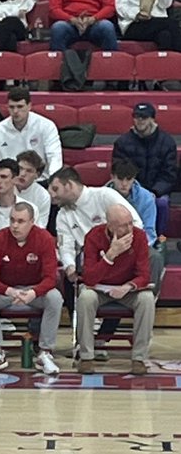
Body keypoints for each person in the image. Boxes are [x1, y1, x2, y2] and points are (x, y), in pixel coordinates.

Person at [0, 201, 62, 377]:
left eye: (21, 221)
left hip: (34, 291)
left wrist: (33, 293)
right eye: (12, 220)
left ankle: (45, 352)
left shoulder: (45, 239)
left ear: (32, 221)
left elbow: (51, 278)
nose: (15, 226)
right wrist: (9, 291)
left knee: (55, 297)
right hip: (6, 291)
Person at [76, 205, 155, 374]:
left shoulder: (139, 236)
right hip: (99, 289)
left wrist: (127, 287)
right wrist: (111, 255)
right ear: (110, 226)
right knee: (85, 298)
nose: (128, 229)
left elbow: (144, 275)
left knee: (147, 299)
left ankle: (139, 358)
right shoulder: (93, 237)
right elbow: (89, 278)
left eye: (130, 223)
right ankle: (86, 357)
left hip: (128, 289)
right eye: (123, 225)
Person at [48, 166, 143, 283]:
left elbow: (136, 223)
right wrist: (69, 266)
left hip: (121, 251)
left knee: (152, 256)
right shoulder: (62, 215)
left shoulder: (104, 195)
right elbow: (65, 246)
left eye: (56, 189)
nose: (52, 196)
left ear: (69, 185)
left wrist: (120, 246)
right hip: (88, 260)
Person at [114, 101, 178, 239]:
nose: (140, 120)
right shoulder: (122, 142)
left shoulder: (167, 142)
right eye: (137, 117)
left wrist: (154, 192)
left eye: (144, 117)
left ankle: (156, 239)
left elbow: (169, 174)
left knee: (161, 203)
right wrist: (137, 190)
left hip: (157, 190)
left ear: (152, 119)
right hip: (131, 188)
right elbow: (120, 170)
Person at [0, 87, 62, 178]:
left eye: (20, 106)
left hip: (41, 180)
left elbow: (55, 157)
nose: (15, 111)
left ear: (29, 106)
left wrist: (53, 180)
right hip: (11, 182)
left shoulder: (47, 126)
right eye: (12, 107)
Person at [109, 157, 158, 247]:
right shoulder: (100, 196)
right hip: (108, 244)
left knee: (155, 257)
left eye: (128, 179)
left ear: (134, 178)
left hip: (137, 245)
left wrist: (138, 247)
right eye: (120, 179)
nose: (124, 184)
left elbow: (149, 231)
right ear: (112, 177)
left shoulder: (147, 198)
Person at [15, 151, 51, 228]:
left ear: (37, 175)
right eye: (20, 168)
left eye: (29, 171)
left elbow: (40, 227)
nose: (22, 174)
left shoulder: (43, 196)